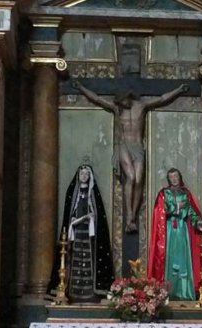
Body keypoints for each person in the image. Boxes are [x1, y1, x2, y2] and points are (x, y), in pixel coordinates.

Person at [72, 80, 188, 232]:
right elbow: (97, 99)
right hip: (124, 146)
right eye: (120, 102)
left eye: (124, 101)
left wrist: (178, 90)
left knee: (139, 180)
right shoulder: (117, 108)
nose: (122, 104)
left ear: (129, 97)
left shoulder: (141, 106)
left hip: (137, 147)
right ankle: (129, 217)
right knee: (131, 177)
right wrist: (81, 88)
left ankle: (133, 214)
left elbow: (162, 99)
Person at [52, 164, 114, 303]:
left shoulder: (93, 193)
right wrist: (74, 220)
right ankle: (71, 292)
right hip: (76, 232)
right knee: (73, 258)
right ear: (78, 176)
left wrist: (91, 217)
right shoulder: (72, 192)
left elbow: (97, 213)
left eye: (87, 174)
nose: (84, 176)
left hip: (89, 234)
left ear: (90, 176)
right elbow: (70, 212)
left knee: (89, 260)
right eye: (82, 174)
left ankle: (91, 293)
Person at [148, 168, 202, 300]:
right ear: (168, 179)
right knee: (169, 257)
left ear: (180, 177)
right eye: (171, 177)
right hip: (168, 231)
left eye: (176, 176)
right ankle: (167, 292)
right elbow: (160, 211)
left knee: (183, 259)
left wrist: (198, 222)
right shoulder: (164, 193)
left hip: (182, 229)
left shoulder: (185, 193)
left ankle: (184, 292)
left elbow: (191, 212)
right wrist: (176, 208)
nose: (174, 179)